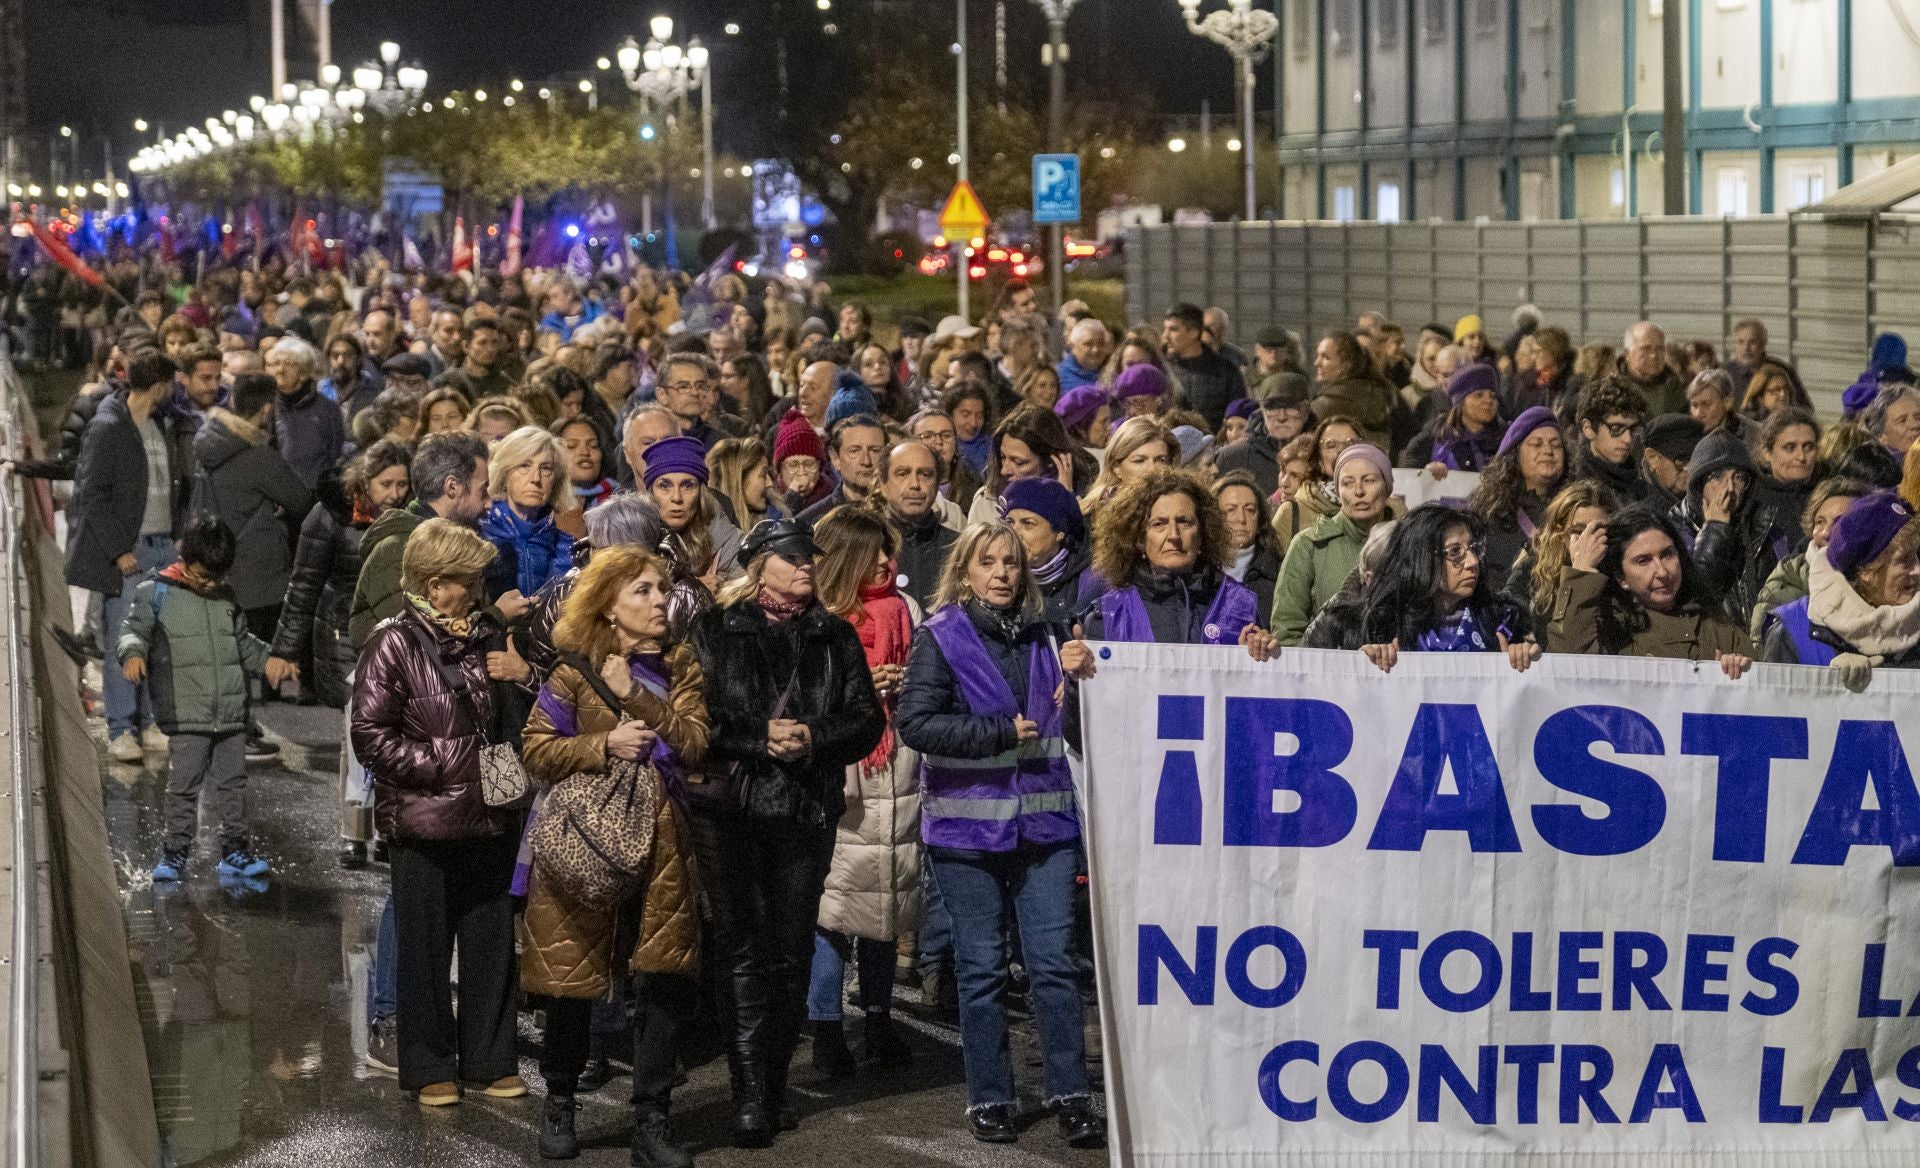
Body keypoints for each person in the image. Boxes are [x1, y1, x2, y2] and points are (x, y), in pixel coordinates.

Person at [894, 522, 1105, 1148]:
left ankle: (1070, 1094)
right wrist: (994, 733)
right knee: (982, 970)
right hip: (966, 833)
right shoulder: (942, 637)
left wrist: (1085, 686)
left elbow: (1074, 730)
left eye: (1011, 562)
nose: (1002, 573)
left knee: (1053, 969)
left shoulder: (1050, 636)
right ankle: (990, 1098)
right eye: (988, 562)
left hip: (1044, 828)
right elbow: (916, 724)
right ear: (966, 570)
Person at [684, 519, 886, 1145]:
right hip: (733, 813)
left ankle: (771, 1084)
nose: (805, 566)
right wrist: (758, 738)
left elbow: (866, 719)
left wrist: (814, 738)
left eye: (808, 557)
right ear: (757, 564)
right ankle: (749, 1093)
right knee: (742, 947)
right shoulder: (716, 629)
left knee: (791, 946)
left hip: (804, 809)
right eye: (791, 556)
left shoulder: (834, 634)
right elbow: (696, 719)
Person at [519, 545, 708, 1165]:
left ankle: (651, 1123)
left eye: (662, 588)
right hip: (584, 840)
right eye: (643, 591)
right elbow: (536, 750)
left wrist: (639, 698)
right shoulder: (573, 672)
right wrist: (605, 743)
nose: (660, 601)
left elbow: (696, 744)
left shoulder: (681, 665)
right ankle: (561, 1101)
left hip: (665, 843)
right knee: (573, 977)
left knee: (659, 981)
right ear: (609, 606)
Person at [350, 519, 527, 1106]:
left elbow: (505, 725)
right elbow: (370, 736)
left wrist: (518, 680)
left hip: (490, 814)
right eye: (466, 580)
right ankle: (429, 1066)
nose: (477, 591)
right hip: (423, 820)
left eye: (477, 580)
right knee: (424, 949)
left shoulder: (489, 636)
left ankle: (490, 1057)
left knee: (491, 939)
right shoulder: (392, 642)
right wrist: (446, 769)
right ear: (433, 582)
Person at [803, 508, 921, 1078]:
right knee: (833, 910)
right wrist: (857, 687)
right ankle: (825, 1027)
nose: (885, 562)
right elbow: (801, 700)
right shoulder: (819, 621)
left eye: (888, 551)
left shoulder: (906, 612)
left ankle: (878, 1019)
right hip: (843, 774)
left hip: (895, 769)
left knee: (885, 905)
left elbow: (929, 680)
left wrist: (906, 680)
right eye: (873, 552)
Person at [121, 516, 292, 882]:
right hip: (187, 713)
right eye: (202, 576)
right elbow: (133, 631)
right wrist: (133, 654)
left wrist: (271, 660)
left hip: (230, 712)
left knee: (233, 785)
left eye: (217, 577)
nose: (210, 584)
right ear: (183, 557)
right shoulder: (156, 592)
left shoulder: (225, 597)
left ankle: (235, 850)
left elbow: (242, 644)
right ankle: (175, 852)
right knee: (183, 787)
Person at [69, 350, 191, 763]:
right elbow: (92, 496)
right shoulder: (108, 427)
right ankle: (122, 728)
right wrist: (119, 550)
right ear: (159, 385)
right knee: (127, 640)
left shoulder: (162, 424)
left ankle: (151, 721)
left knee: (157, 640)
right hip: (132, 552)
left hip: (163, 547)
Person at [191, 369, 316, 677]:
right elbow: (300, 500)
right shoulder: (257, 453)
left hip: (218, 555)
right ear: (267, 409)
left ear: (233, 400)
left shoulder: (208, 444)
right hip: (259, 565)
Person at [1079, 470, 1273, 657]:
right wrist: (1076, 677)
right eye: (1159, 524)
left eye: (1184, 522)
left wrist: (1264, 657)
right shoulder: (1110, 613)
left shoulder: (1239, 604)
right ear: (1138, 539)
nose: (1174, 535)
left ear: (1203, 533)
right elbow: (1095, 690)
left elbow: (1262, 687)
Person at [348, 432, 510, 652]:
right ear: (452, 487)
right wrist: (497, 616)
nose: (489, 504)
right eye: (483, 491)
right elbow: (418, 643)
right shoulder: (398, 550)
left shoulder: (459, 544)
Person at [1546, 504, 1753, 672]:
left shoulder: (1715, 625)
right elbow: (1565, 668)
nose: (1662, 572)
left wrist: (1739, 675)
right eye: (1643, 561)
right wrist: (1582, 572)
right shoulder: (1607, 627)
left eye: (1667, 555)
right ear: (1621, 578)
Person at [1759, 491, 1920, 677]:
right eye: (1904, 560)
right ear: (1867, 570)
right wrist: (1833, 688)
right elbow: (1774, 703)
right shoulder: (1792, 631)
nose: (1918, 569)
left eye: (1915, 555)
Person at [1271, 442, 1396, 645]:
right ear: (1338, 490)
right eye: (1347, 483)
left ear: (1387, 486)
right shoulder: (1308, 545)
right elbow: (1287, 633)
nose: (1358, 491)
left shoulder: (1408, 544)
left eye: (1369, 480)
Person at [1751, 477, 1873, 642]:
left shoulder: (1887, 577)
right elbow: (1764, 652)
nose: (1826, 533)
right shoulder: (1788, 578)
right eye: (1820, 522)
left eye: (1840, 522)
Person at [1466, 406, 1567, 585]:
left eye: (1556, 445)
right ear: (1515, 454)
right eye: (1537, 444)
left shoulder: (1576, 507)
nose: (1548, 451)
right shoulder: (1487, 512)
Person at [1502, 481, 1618, 636]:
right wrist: (1581, 573)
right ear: (1560, 532)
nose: (1587, 541)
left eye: (1597, 532)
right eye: (1577, 531)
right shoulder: (1534, 570)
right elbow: (1508, 619)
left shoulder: (1621, 570)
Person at [479, 425, 578, 603]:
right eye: (524, 466)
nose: (536, 478)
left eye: (546, 468)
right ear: (504, 473)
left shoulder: (569, 549)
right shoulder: (479, 536)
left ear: (556, 480)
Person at [966, 405, 1095, 525]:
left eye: (1019, 462)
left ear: (1051, 462)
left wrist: (1066, 500)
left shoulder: (1087, 496)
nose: (1004, 470)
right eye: (1003, 458)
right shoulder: (987, 501)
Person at [1002, 476, 1095, 625]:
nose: (1014, 532)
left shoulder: (1092, 583)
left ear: (1059, 532)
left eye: (1028, 524)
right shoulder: (998, 576)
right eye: (1009, 522)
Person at [874, 439, 956, 609]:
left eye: (925, 474)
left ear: (938, 483)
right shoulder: (865, 547)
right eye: (902, 473)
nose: (915, 485)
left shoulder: (960, 548)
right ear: (883, 484)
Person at [265, 335, 349, 487]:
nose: (280, 370)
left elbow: (335, 453)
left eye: (288, 363)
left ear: (304, 371)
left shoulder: (327, 409)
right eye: (276, 363)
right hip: (282, 494)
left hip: (317, 492)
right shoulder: (268, 407)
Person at [1213, 372, 1310, 500]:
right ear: (1262, 411)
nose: (1281, 417)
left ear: (1307, 410)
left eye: (1291, 407)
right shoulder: (1231, 457)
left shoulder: (1323, 453)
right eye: (1272, 407)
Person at [1270, 415, 1361, 548]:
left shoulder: (1390, 508)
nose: (1340, 451)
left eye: (1350, 443)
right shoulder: (1289, 513)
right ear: (1318, 457)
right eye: (1331, 445)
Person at [1213, 470, 1282, 626]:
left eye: (1250, 510)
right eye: (1231, 510)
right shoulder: (1201, 573)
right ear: (1214, 517)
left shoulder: (1279, 572)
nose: (1241, 519)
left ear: (1260, 518)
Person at [1407, 364, 1506, 472]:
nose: (1489, 401)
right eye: (1479, 395)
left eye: (1493, 396)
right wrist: (1426, 471)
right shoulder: (1437, 433)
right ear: (1460, 401)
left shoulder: (1506, 438)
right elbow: (1410, 468)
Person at [1159, 303, 1244, 428]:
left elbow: (1238, 414)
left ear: (1193, 332)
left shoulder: (1226, 371)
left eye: (1173, 329)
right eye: (1165, 329)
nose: (1165, 336)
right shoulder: (1161, 370)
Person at [1571, 379, 1651, 504]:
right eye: (1616, 428)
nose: (1628, 439)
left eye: (1634, 429)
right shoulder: (1573, 489)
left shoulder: (1640, 485)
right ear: (1588, 428)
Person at [1310, 330, 1394, 450]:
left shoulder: (1323, 406)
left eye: (1325, 357)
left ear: (1346, 365)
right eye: (1317, 355)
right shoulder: (1379, 395)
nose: (1316, 363)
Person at [1080, 416, 1176, 518]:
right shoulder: (1092, 516)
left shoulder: (1183, 506)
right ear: (1116, 467)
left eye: (1161, 460)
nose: (1152, 469)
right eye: (1139, 461)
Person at [800, 415, 889, 524]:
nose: (866, 461)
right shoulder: (810, 522)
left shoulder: (903, 514)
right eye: (854, 451)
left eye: (875, 451)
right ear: (835, 458)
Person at [708, 436, 776, 527]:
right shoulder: (710, 534)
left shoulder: (774, 521)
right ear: (738, 480)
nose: (770, 483)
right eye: (763, 474)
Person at [1621, 322, 1686, 416]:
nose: (1654, 355)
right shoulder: (1612, 390)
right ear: (1627, 353)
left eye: (1660, 348)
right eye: (1646, 348)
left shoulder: (1676, 389)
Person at [556, 415, 618, 511]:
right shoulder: (542, 507)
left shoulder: (620, 500)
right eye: (572, 446)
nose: (585, 452)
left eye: (593, 445)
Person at [1686, 368, 1752, 442]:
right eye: (1694, 405)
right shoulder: (1685, 438)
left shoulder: (1754, 436)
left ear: (1727, 402)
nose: (1698, 414)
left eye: (1706, 404)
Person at [1863, 384, 1920, 466]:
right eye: (1902, 420)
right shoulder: (1879, 475)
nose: (1915, 425)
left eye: (1918, 417)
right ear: (1881, 436)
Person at [1058, 319, 1112, 392]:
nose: (1095, 350)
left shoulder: (1114, 372)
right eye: (1088, 344)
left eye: (1101, 343)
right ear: (1073, 346)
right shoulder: (1058, 378)